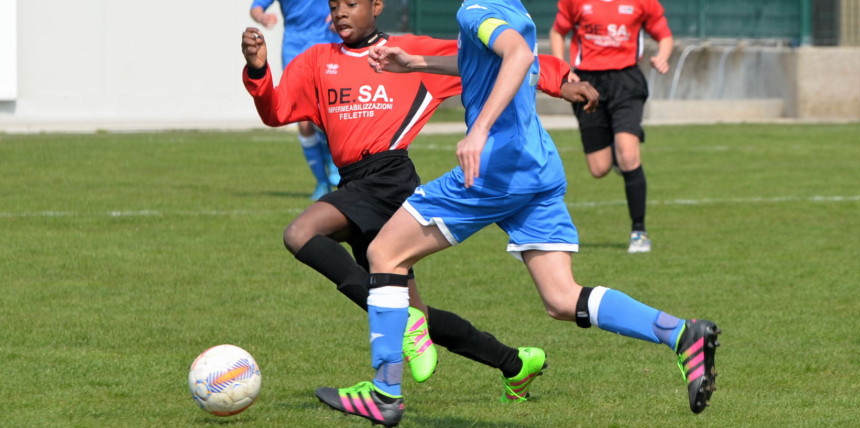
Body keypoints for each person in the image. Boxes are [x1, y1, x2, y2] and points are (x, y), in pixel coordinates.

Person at [315, 0, 721, 426]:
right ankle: (681, 334)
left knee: (384, 254)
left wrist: (479, 130)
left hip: (496, 169)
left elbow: (520, 56)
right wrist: (415, 62)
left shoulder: (475, 9)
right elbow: (490, 61)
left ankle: (384, 394)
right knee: (561, 298)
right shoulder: (513, 9)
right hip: (536, 166)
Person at [240, 0, 600, 410]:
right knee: (415, 312)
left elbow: (492, 58)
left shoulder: (407, 51)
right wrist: (258, 70)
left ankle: (393, 367)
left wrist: (560, 80)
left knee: (300, 233)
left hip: (390, 180)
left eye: (352, 4)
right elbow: (277, 111)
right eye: (334, 5)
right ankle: (514, 362)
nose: (340, 12)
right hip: (354, 184)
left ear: (377, 6)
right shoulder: (316, 60)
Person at [549, 0, 675, 253]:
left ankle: (639, 232)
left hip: (626, 81)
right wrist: (563, 68)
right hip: (587, 83)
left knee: (628, 154)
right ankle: (619, 151)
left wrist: (662, 56)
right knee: (599, 168)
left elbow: (665, 35)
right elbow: (557, 32)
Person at [250, 0, 342, 200]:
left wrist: (342, 16)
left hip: (327, 46)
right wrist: (262, 18)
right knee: (303, 121)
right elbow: (256, 7)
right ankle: (322, 181)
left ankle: (334, 164)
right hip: (295, 49)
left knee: (327, 113)